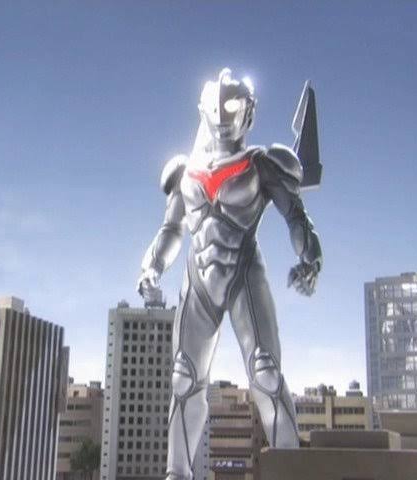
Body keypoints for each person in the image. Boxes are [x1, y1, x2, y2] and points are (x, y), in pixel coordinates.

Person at [137, 68, 322, 480]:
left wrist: (310, 258)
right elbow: (171, 229)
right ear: (203, 109)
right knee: (185, 378)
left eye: (233, 105)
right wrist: (152, 265)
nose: (223, 114)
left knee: (265, 372)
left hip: (243, 272)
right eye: (216, 105)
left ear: (248, 111)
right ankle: (177, 473)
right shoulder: (186, 171)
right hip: (198, 279)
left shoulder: (262, 164)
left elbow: (296, 217)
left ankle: (291, 469)